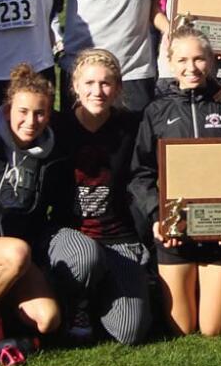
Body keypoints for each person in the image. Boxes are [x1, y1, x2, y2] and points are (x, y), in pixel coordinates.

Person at [130, 23, 221, 337]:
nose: (191, 68)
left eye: (199, 59)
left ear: (211, 60)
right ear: (170, 63)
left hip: (219, 233)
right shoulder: (156, 112)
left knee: (212, 330)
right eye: (183, 60)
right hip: (177, 233)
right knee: (183, 329)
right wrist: (158, 218)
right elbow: (141, 174)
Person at [0, 64, 79, 363]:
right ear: (8, 108)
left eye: (40, 113)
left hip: (21, 258)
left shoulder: (54, 154)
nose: (31, 121)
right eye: (23, 111)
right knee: (16, 251)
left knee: (48, 319)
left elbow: (61, 208)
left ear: (49, 114)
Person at [52, 49, 154, 345]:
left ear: (119, 88)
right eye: (89, 83)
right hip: (70, 235)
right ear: (75, 86)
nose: (97, 91)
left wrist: (219, 91)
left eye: (106, 83)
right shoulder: (57, 127)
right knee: (86, 257)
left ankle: (100, 292)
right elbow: (17, 123)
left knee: (129, 331)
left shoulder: (132, 126)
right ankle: (76, 302)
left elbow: (173, 113)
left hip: (119, 239)